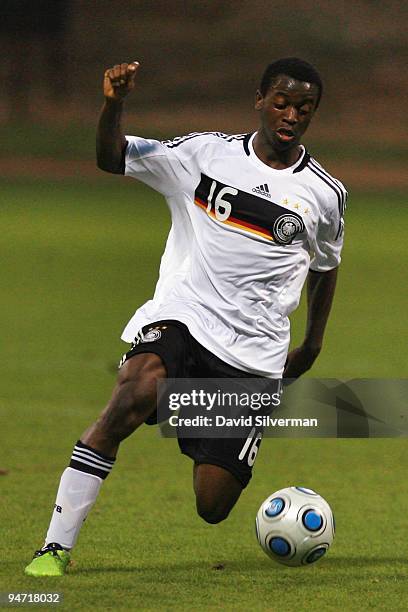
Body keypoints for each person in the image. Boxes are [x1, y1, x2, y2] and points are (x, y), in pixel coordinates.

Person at [25, 57, 347, 576]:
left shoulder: (325, 195)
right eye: (282, 103)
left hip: (253, 350)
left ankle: (188, 408)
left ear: (313, 114)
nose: (290, 116)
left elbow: (326, 267)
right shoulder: (203, 154)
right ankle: (53, 549)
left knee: (211, 505)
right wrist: (114, 104)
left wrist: (312, 344)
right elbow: (112, 157)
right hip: (185, 314)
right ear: (260, 100)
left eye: (303, 109)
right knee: (130, 396)